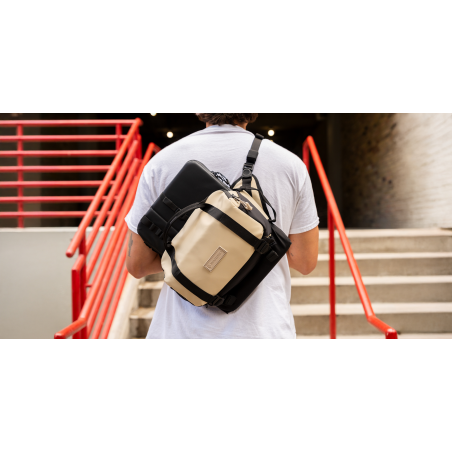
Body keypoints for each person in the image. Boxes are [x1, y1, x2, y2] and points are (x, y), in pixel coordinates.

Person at [125, 114, 319, 339]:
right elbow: (304, 261)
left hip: (181, 331)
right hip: (264, 331)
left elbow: (137, 264)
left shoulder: (162, 163)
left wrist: (195, 255)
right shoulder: (290, 165)